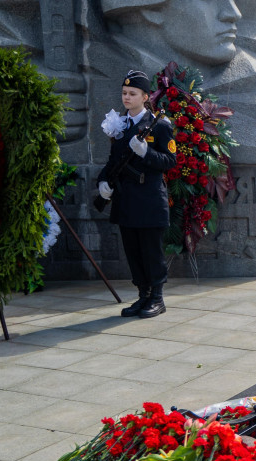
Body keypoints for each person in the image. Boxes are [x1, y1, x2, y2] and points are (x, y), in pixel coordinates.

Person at [97, 69, 177, 318]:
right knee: (133, 252)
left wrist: (146, 153)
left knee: (151, 252)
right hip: (126, 200)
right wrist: (103, 181)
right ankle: (143, 295)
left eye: (132, 93)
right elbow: (113, 162)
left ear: (145, 97)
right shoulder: (119, 125)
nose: (127, 97)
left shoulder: (159, 126)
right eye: (124, 93)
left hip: (149, 199)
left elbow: (170, 161)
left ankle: (157, 298)